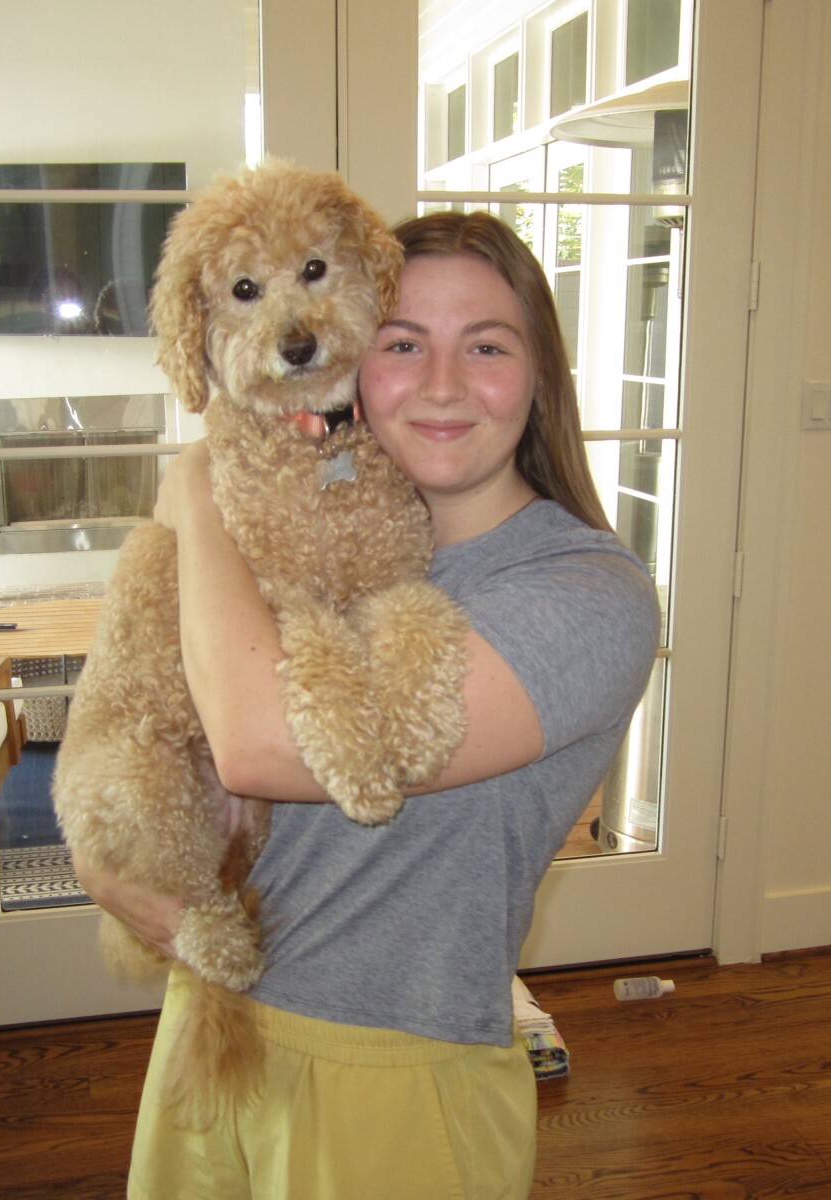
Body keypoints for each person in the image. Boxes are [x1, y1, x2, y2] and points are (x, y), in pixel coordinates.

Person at [77, 210, 661, 1200]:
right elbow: (150, 710)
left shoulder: (586, 594)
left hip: (391, 1068)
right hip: (211, 1024)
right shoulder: (314, 534)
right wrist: (103, 858)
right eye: (402, 343)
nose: (441, 384)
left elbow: (256, 745)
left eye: (486, 346)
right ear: (352, 351)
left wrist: (197, 486)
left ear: (539, 375)